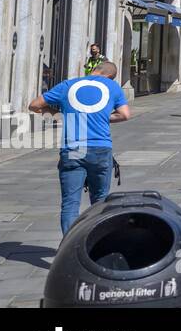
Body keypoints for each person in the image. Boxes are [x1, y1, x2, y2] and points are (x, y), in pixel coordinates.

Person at [28, 62, 131, 234]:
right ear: (111, 77)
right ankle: (95, 246)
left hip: (73, 149)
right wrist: (103, 118)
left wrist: (62, 115)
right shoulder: (112, 87)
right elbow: (125, 114)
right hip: (100, 148)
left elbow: (34, 105)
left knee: (70, 203)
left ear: (93, 70)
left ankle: (69, 247)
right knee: (100, 201)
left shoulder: (68, 85)